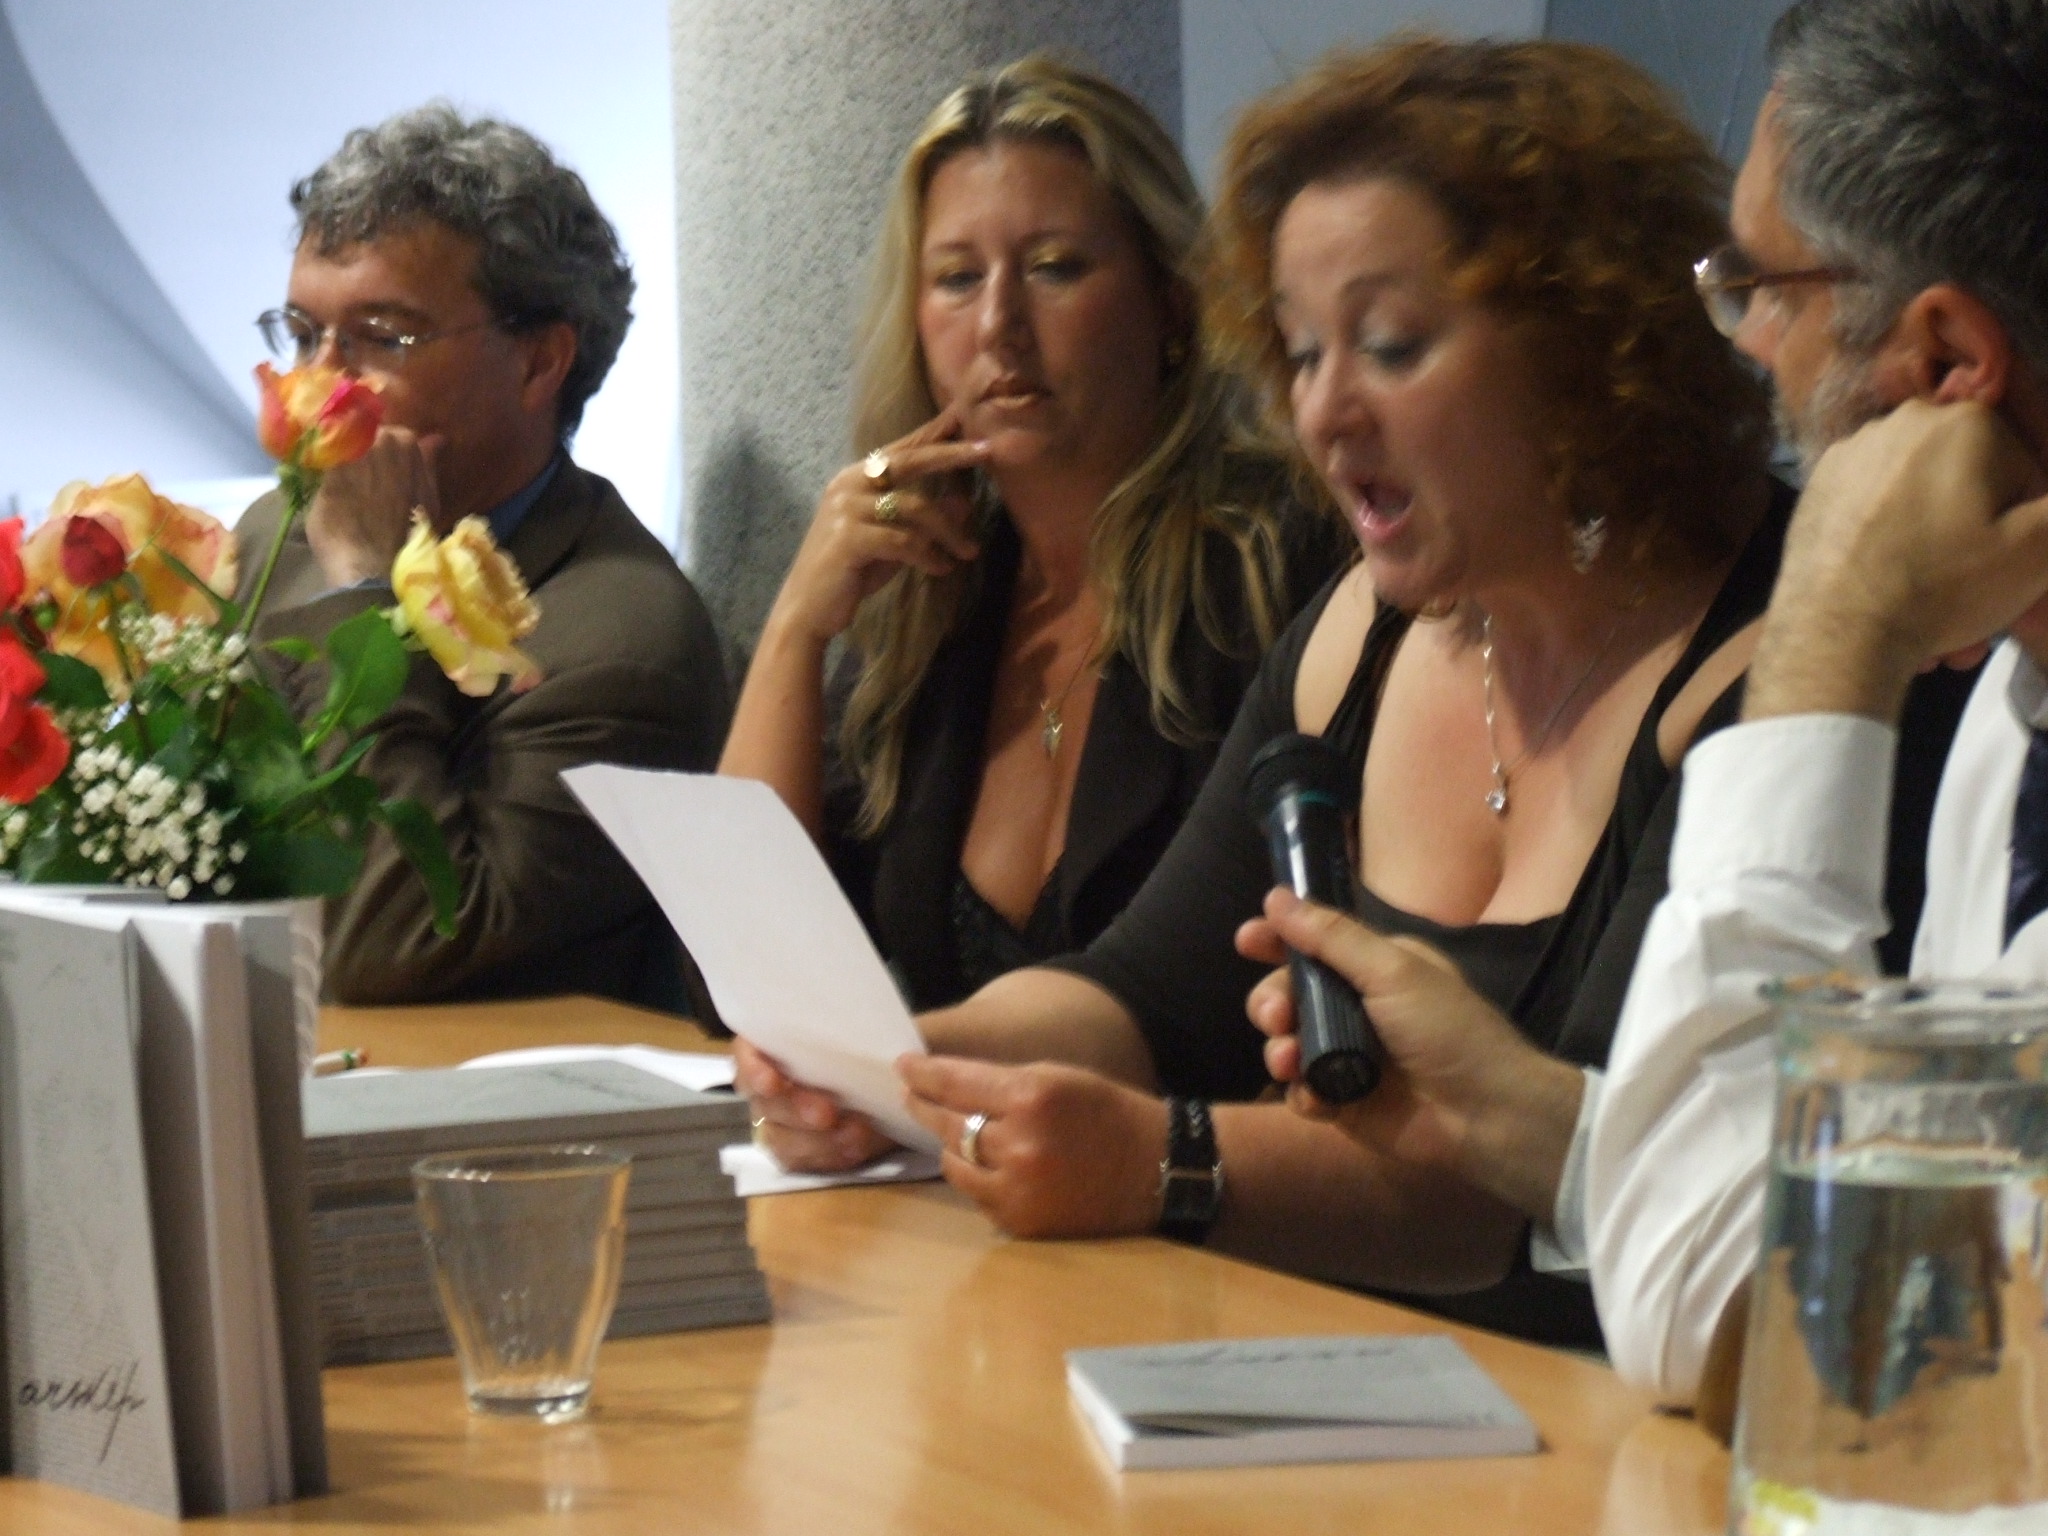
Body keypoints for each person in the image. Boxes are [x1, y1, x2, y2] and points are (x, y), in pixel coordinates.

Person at [743, 38, 1797, 1349]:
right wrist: (888, 1065)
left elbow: (1568, 1190)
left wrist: (1163, 1160)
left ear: (1587, 340)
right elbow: (1141, 993)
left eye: (1390, 346)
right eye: (1301, 354)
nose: (1324, 413)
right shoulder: (1359, 626)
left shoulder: (1773, 665)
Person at [1248, 0, 2048, 1406]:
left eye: (1765, 290)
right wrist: (1536, 1120)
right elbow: (1905, 1246)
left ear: (1941, 364)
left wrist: (1828, 631)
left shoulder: (1887, 668)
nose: (1745, 345)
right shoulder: (2011, 709)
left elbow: (1759, 1320)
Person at [719, 56, 1342, 1013]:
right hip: (961, 1110)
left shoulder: (1280, 558)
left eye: (1054, 268)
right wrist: (797, 630)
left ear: (1173, 301)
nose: (998, 324)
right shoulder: (935, 587)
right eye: (957, 279)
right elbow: (743, 974)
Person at [237, 105, 730, 1009]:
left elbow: (396, 945)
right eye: (304, 334)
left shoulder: (622, 643)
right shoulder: (273, 536)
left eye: (383, 336)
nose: (324, 380)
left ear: (540, 363)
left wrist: (364, 588)